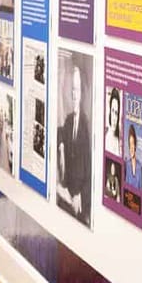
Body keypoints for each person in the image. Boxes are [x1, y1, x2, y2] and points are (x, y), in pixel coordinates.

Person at [57, 64, 90, 224]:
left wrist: (81, 196)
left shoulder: (86, 125)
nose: (74, 94)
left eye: (77, 89)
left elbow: (91, 171)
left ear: (83, 93)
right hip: (67, 194)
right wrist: (61, 144)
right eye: (72, 89)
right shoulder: (69, 120)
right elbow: (60, 132)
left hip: (80, 201)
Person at [104, 87, 122, 157]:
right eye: (113, 111)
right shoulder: (108, 138)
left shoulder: (118, 138)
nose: (114, 118)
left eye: (116, 113)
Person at [125, 125, 142, 190]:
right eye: (130, 145)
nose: (131, 148)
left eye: (132, 144)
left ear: (135, 145)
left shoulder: (139, 166)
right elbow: (125, 186)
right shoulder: (127, 164)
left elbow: (141, 188)